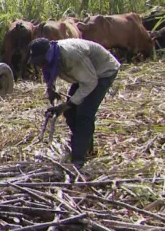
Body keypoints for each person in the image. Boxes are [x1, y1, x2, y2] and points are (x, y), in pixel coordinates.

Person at [28, 37, 120, 168]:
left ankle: (78, 160)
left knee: (84, 115)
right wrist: (51, 89)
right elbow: (49, 70)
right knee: (71, 114)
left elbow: (90, 82)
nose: (39, 65)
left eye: (40, 61)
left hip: (102, 72)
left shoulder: (71, 56)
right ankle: (86, 147)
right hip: (84, 75)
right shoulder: (53, 56)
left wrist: (67, 105)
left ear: (47, 55)